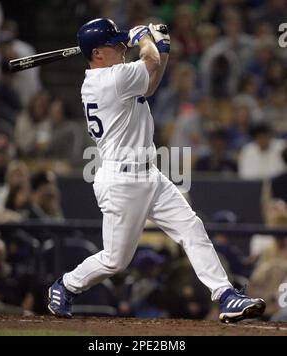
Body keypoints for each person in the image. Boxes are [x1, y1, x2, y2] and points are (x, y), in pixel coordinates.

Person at [48, 18, 266, 323]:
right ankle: (67, 285)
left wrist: (160, 49)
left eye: (121, 43)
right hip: (121, 180)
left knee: (192, 228)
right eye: (114, 45)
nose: (122, 47)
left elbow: (150, 83)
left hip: (148, 173)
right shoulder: (109, 80)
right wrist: (146, 41)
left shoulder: (114, 76)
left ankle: (226, 296)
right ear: (97, 53)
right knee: (115, 261)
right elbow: (148, 60)